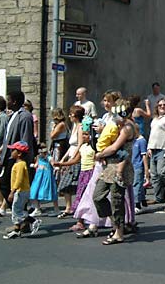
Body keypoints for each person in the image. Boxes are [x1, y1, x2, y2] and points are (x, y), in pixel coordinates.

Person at [92, 99, 136, 245]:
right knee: (98, 196)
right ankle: (115, 224)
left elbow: (114, 148)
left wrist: (99, 155)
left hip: (120, 167)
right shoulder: (118, 125)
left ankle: (119, 233)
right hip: (110, 166)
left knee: (116, 199)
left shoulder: (127, 128)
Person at [0, 91, 37, 219]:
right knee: (5, 186)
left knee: (8, 186)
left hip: (17, 158)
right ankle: (23, 216)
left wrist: (21, 158)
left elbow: (26, 139)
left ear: (15, 101)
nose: (6, 102)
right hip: (8, 156)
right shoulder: (12, 115)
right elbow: (7, 138)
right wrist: (1, 152)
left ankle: (23, 216)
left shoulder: (25, 116)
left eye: (8, 99)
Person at [59, 116, 94, 232]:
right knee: (81, 197)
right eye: (83, 134)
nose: (84, 136)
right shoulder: (83, 147)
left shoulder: (94, 148)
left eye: (87, 134)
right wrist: (62, 164)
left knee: (90, 198)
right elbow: (75, 160)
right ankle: (80, 222)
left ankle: (92, 222)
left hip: (91, 174)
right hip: (83, 174)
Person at [3, 141, 41, 239]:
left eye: (13, 150)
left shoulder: (20, 165)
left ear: (19, 153)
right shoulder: (19, 164)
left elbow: (19, 179)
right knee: (16, 210)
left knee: (16, 210)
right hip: (21, 190)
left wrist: (13, 191)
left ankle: (33, 220)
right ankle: (17, 229)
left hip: (20, 191)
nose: (11, 152)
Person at [55, 105, 84, 219]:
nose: (69, 116)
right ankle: (68, 207)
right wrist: (63, 158)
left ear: (76, 116)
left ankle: (77, 207)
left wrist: (73, 158)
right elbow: (71, 146)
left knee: (73, 183)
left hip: (76, 159)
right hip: (70, 156)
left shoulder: (81, 127)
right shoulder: (73, 126)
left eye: (71, 114)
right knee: (65, 183)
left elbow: (80, 144)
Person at [146, 98, 165, 204]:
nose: (162, 107)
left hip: (163, 149)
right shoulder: (155, 120)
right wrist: (149, 147)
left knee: (162, 172)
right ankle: (159, 197)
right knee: (154, 175)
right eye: (160, 105)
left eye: (164, 105)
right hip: (153, 149)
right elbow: (152, 135)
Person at [29, 145, 60, 217]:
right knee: (34, 191)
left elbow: (53, 164)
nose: (41, 154)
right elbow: (36, 165)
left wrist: (55, 168)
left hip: (47, 177)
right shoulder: (39, 158)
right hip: (38, 177)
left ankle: (56, 209)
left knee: (51, 191)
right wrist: (32, 165)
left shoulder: (49, 158)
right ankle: (37, 209)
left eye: (43, 152)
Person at [132, 131, 148, 214]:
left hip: (138, 166)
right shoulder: (133, 140)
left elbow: (144, 156)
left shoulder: (142, 141)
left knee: (136, 184)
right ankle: (143, 200)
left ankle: (137, 204)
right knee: (138, 184)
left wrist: (146, 169)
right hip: (132, 165)